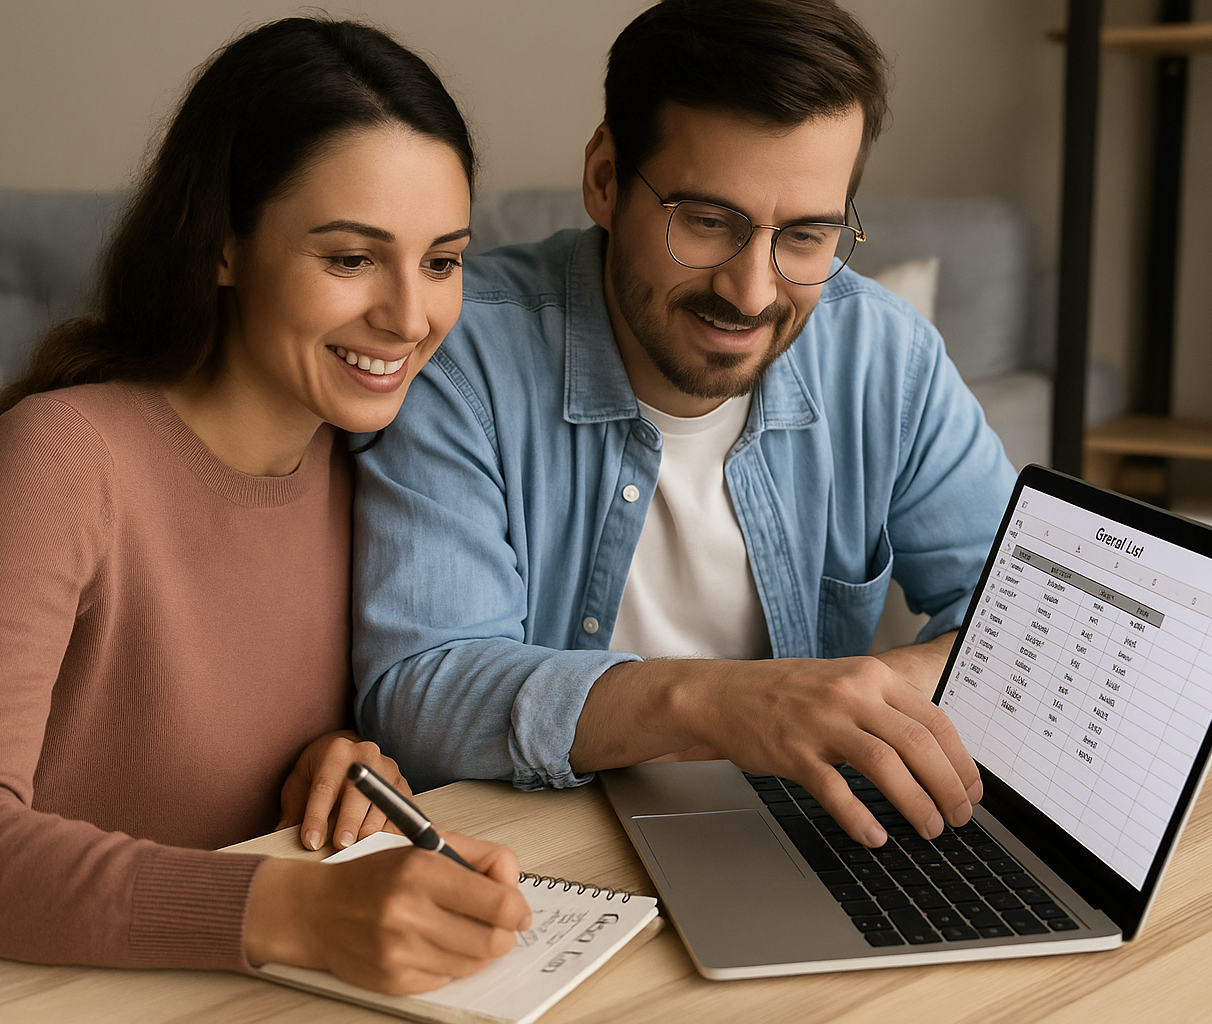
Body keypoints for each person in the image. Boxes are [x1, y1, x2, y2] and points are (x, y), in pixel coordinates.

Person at [0, 18, 529, 996]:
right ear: (223, 246)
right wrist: (289, 907)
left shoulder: (387, 469)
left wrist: (342, 770)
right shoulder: (59, 458)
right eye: (351, 258)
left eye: (441, 261)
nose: (409, 316)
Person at [352, 0, 1017, 852]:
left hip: (814, 838)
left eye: (805, 236)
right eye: (707, 222)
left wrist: (850, 696)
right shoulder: (456, 352)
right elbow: (423, 693)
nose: (751, 291)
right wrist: (724, 705)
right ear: (604, 177)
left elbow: (1024, 619)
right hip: (537, 857)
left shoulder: (884, 357)